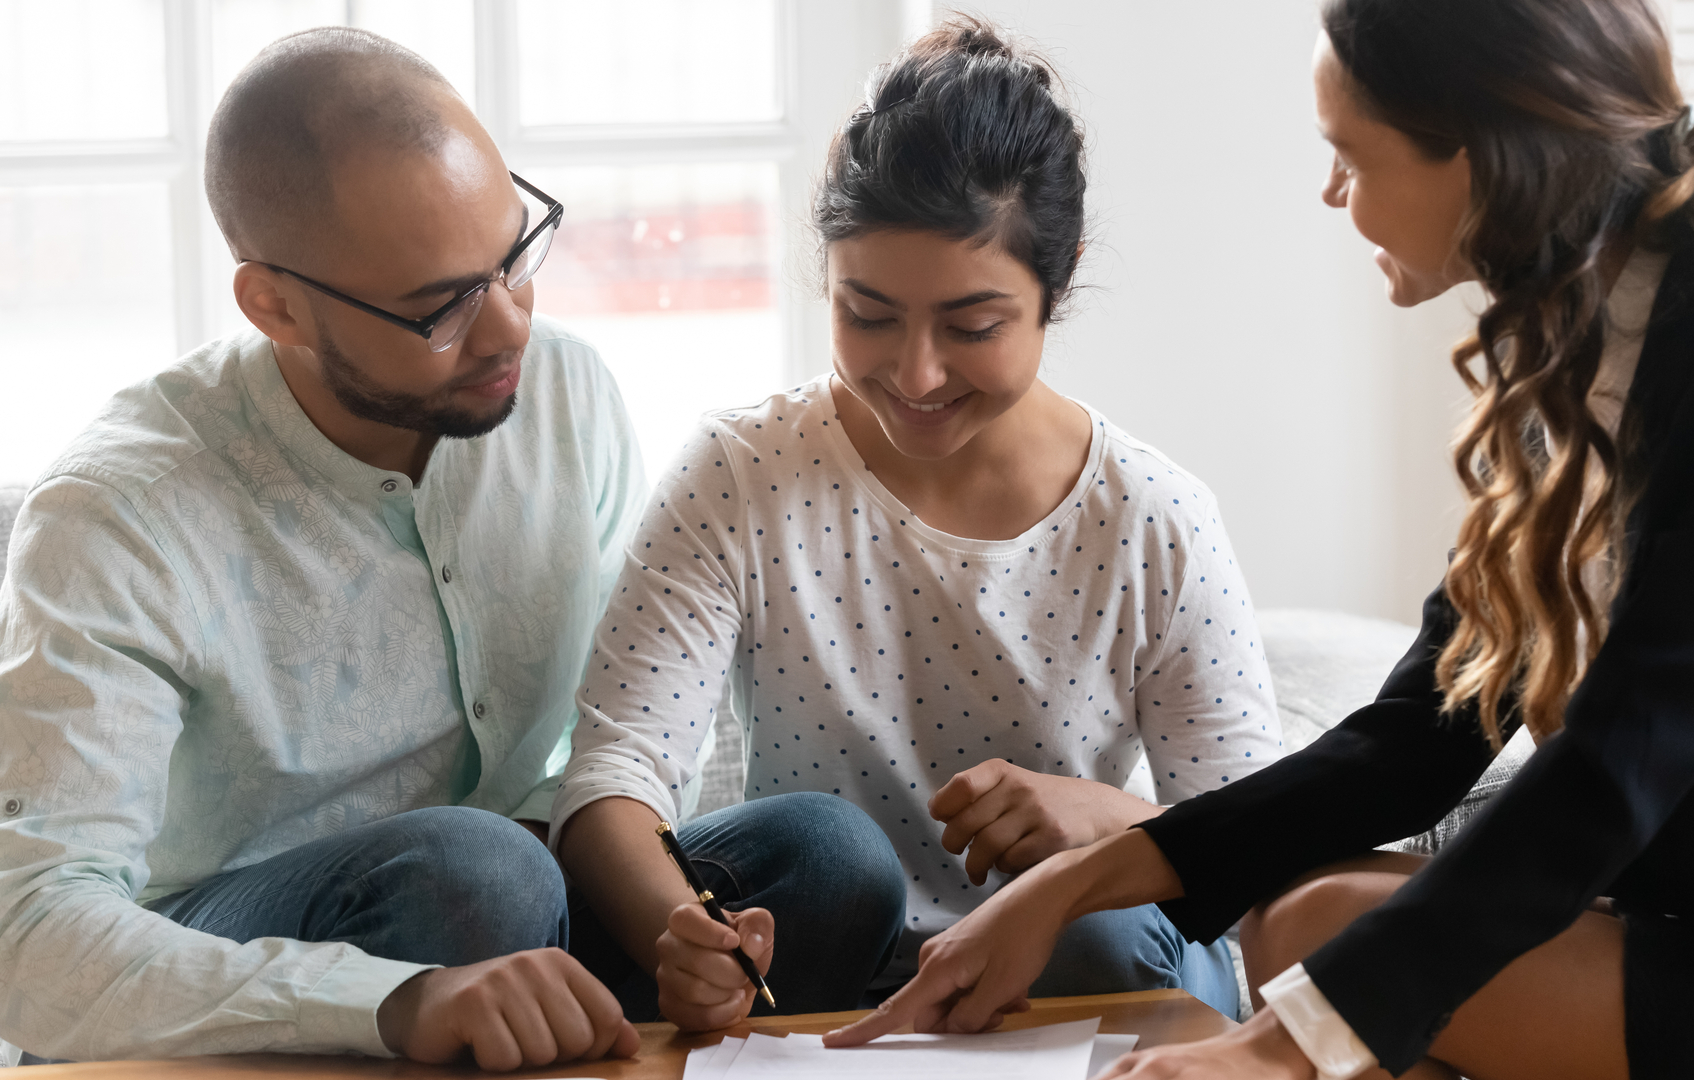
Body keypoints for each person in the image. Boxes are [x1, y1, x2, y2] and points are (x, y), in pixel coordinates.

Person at [824, 1, 1694, 1078]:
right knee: (1297, 915)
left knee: (1315, 960)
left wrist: (1272, 1050)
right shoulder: (1572, 360)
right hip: (1690, 921)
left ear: (1483, 158)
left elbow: (1621, 759)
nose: (1331, 190)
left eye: (1350, 153)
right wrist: (1064, 888)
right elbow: (1412, 742)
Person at [551, 18, 1280, 1031]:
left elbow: (1269, 846)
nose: (917, 373)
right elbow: (614, 772)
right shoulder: (742, 471)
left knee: (1096, 924)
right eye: (870, 315)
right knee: (829, 853)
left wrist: (1105, 822)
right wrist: (681, 927)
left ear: (1055, 280)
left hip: (1068, 971)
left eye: (972, 327)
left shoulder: (1156, 521)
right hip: (822, 961)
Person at [0, 29, 644, 1070]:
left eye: (516, 254)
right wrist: (393, 1004)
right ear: (276, 306)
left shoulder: (566, 393)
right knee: (476, 875)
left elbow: (609, 733)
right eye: (441, 306)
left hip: (511, 912)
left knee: (819, 860)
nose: (512, 329)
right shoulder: (119, 514)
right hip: (229, 963)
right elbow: (25, 941)